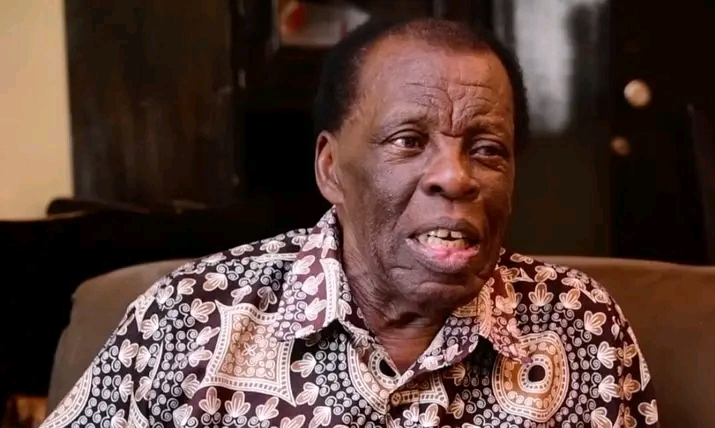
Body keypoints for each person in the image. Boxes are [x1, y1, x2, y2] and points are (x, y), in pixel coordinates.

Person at [40, 18, 659, 428]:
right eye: (408, 140)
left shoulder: (579, 326)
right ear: (331, 169)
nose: (456, 177)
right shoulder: (187, 321)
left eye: (487, 148)